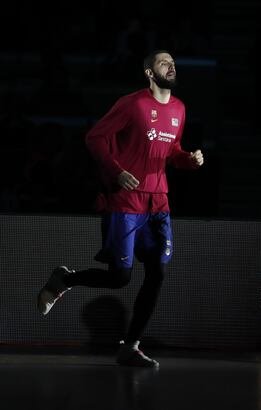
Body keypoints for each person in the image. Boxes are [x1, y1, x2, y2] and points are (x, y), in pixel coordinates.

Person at [37, 50, 204, 367]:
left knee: (157, 272)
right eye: (163, 62)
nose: (171, 65)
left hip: (159, 202)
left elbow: (173, 152)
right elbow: (95, 137)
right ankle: (64, 280)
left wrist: (190, 160)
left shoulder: (180, 109)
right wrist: (116, 171)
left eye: (173, 62)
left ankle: (131, 345)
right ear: (149, 73)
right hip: (126, 202)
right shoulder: (134, 104)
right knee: (120, 277)